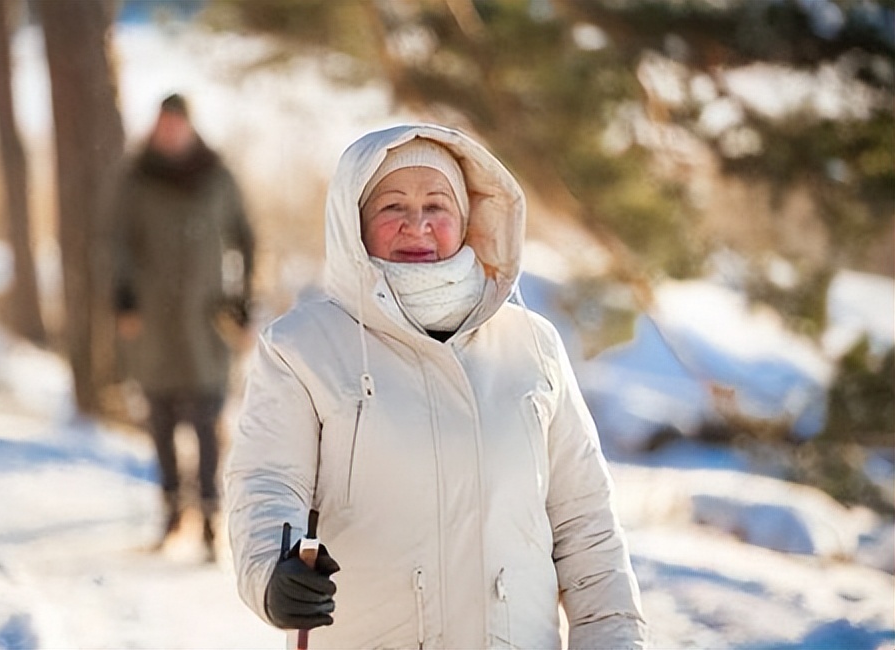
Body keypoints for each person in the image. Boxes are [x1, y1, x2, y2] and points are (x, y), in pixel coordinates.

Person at [225, 124, 646, 648]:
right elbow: (266, 484)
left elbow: (585, 523)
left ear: (467, 220)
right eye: (391, 207)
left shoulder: (531, 345)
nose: (416, 225)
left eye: (436, 206)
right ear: (353, 222)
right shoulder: (302, 348)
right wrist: (271, 573)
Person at [113, 93, 255, 557]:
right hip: (154, 323)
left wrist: (243, 300)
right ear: (156, 128)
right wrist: (124, 298)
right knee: (159, 421)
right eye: (163, 125)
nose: (170, 132)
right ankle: (172, 514)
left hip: (205, 321)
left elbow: (245, 238)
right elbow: (117, 243)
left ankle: (212, 520)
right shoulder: (137, 179)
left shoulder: (217, 176)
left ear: (190, 128)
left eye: (178, 124)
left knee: (207, 420)